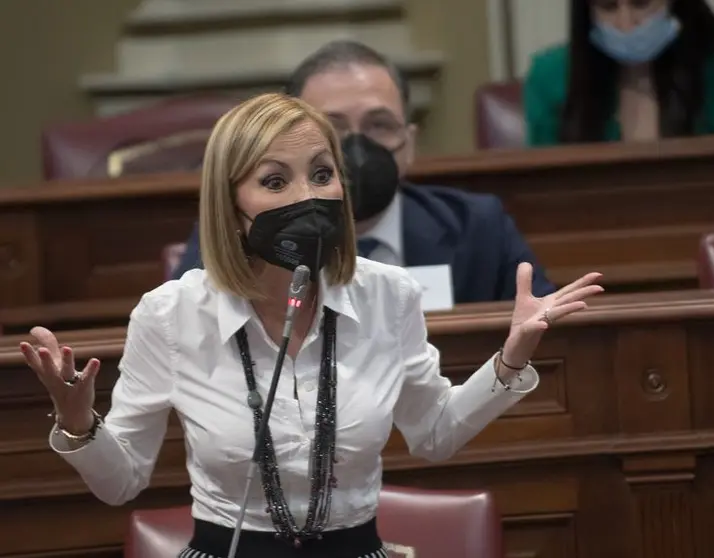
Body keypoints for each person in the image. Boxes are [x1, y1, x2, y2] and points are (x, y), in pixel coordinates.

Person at [20, 93, 603, 558]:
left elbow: (434, 434)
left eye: (322, 174)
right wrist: (77, 423)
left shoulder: (388, 296)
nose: (309, 196)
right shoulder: (171, 315)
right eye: (275, 182)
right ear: (231, 206)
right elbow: (120, 483)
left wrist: (512, 360)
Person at [174, 40, 555, 303]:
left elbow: (546, 335)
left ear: (409, 143)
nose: (354, 149)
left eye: (379, 126)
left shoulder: (478, 226)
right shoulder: (239, 229)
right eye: (332, 128)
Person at [524, 0, 714, 146]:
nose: (626, 24)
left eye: (641, 3)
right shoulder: (550, 76)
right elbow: (543, 198)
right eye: (608, 6)